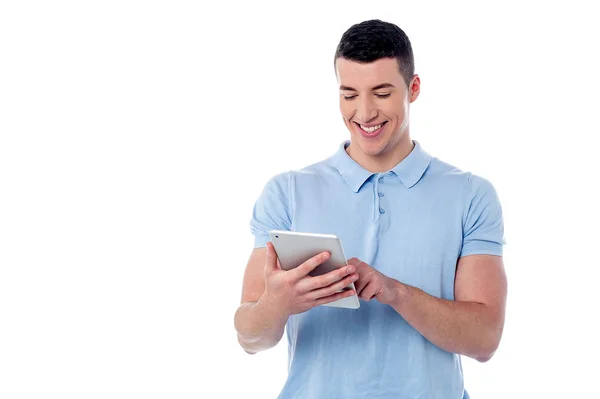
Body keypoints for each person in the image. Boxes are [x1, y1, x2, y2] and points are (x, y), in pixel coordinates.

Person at [234, 19, 507, 399]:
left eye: (381, 93)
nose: (364, 113)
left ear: (413, 89)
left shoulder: (470, 194)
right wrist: (276, 305)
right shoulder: (288, 192)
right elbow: (249, 337)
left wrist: (396, 293)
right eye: (349, 95)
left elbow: (485, 339)